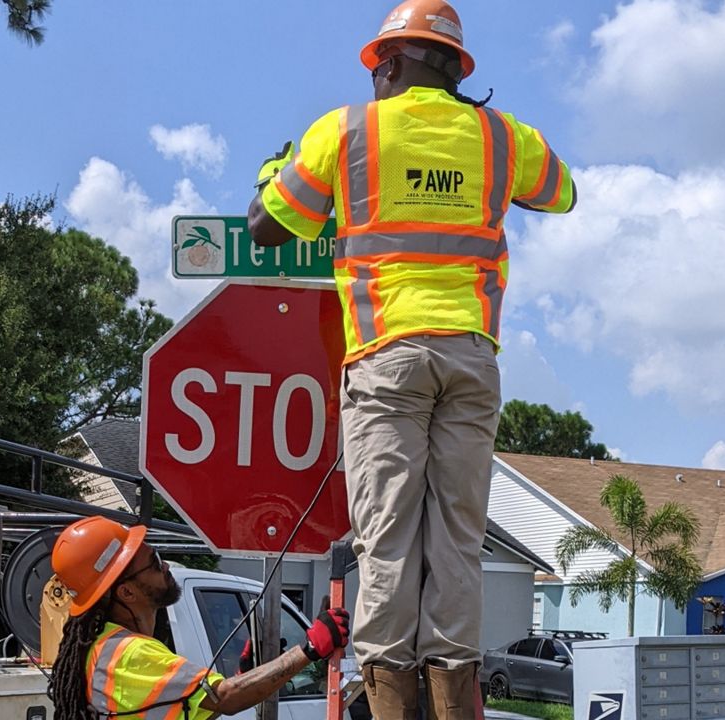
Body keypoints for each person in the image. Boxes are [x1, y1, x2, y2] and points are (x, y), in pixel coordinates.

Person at [246, 1, 576, 718]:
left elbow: (266, 226)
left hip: (387, 356)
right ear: (456, 69)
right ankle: (456, 703)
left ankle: (390, 701)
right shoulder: (499, 136)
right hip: (471, 358)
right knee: (457, 539)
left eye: (378, 70)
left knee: (388, 540)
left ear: (392, 63)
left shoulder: (348, 131)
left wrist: (276, 168)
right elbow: (562, 192)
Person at [48, 516, 350, 720]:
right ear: (126, 593)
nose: (165, 565)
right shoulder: (130, 653)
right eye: (153, 563)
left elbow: (198, 705)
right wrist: (310, 647)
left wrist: (247, 677)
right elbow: (225, 699)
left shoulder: (105, 648)